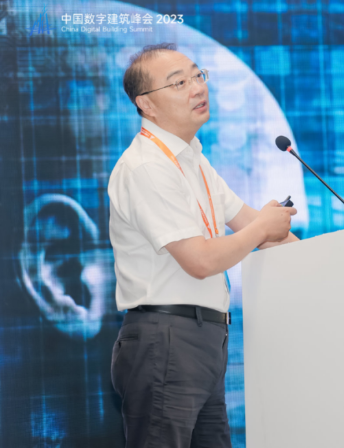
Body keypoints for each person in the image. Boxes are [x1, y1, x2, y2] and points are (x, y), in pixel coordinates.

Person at [108, 43, 299, 447]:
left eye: (198, 76)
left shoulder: (194, 160)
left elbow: (255, 226)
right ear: (146, 104)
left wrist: (321, 252)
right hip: (166, 337)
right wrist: (262, 229)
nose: (197, 88)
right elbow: (198, 260)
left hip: (204, 339)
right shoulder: (147, 166)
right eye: (179, 83)